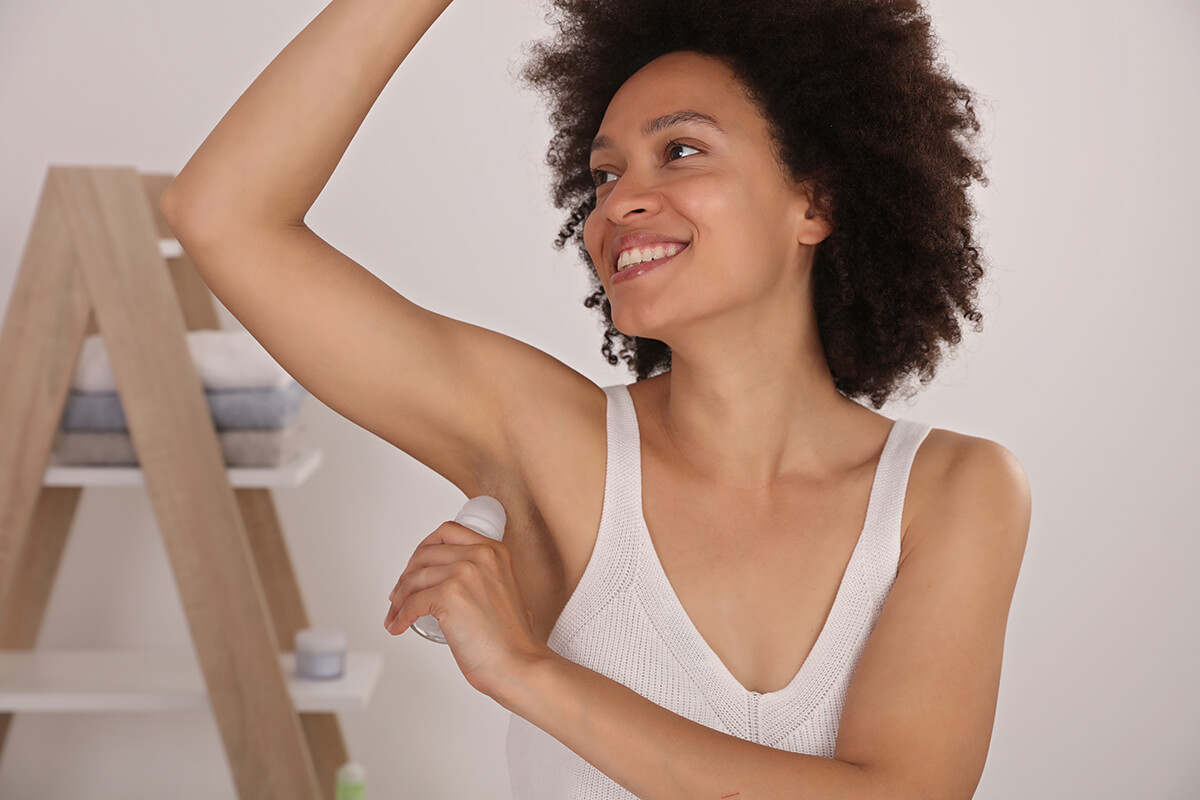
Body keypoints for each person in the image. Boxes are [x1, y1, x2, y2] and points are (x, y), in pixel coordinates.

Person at [160, 0, 1032, 797]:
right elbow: (225, 216)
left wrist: (525, 671)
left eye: (679, 151)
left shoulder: (952, 491)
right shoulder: (553, 443)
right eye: (603, 175)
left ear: (816, 200)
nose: (619, 205)